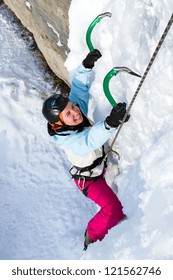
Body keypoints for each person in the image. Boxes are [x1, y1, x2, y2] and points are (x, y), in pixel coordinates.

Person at [42, 49, 128, 250]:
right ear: (58, 125)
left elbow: (79, 88)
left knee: (77, 97)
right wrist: (110, 124)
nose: (75, 113)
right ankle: (92, 236)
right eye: (68, 114)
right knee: (112, 209)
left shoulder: (72, 114)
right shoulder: (69, 140)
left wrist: (86, 66)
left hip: (99, 167)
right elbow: (89, 140)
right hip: (89, 180)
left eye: (72, 107)